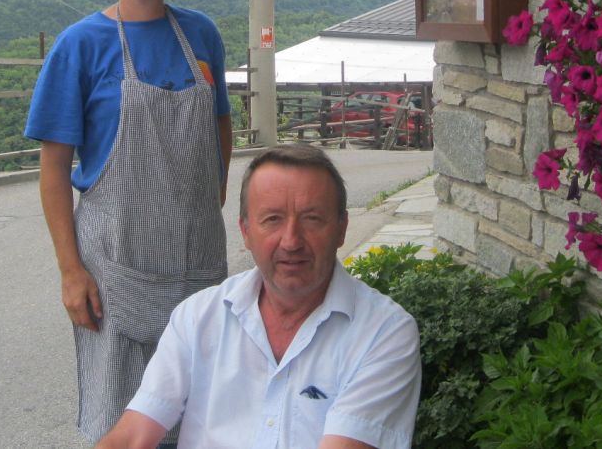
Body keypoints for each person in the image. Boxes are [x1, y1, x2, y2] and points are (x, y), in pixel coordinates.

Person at [25, 0, 231, 443]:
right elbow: (53, 171)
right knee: (123, 421)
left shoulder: (202, 35)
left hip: (198, 266)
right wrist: (71, 271)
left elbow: (220, 126)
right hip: (114, 271)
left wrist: (208, 205)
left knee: (203, 411)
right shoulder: (79, 46)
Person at [95, 144, 422, 449]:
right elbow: (134, 435)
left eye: (312, 219)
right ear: (246, 232)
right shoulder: (198, 317)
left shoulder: (384, 332)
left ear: (341, 228)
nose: (291, 240)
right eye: (272, 219)